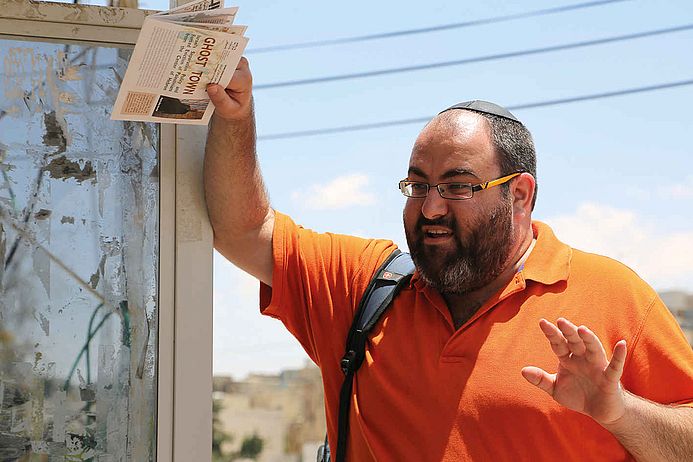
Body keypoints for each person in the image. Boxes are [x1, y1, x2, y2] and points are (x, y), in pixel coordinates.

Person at [204, 58, 693, 461]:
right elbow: (244, 230)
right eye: (418, 186)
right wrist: (235, 118)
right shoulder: (364, 288)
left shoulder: (611, 295)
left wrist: (621, 412)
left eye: (458, 186)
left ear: (520, 195)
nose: (431, 208)